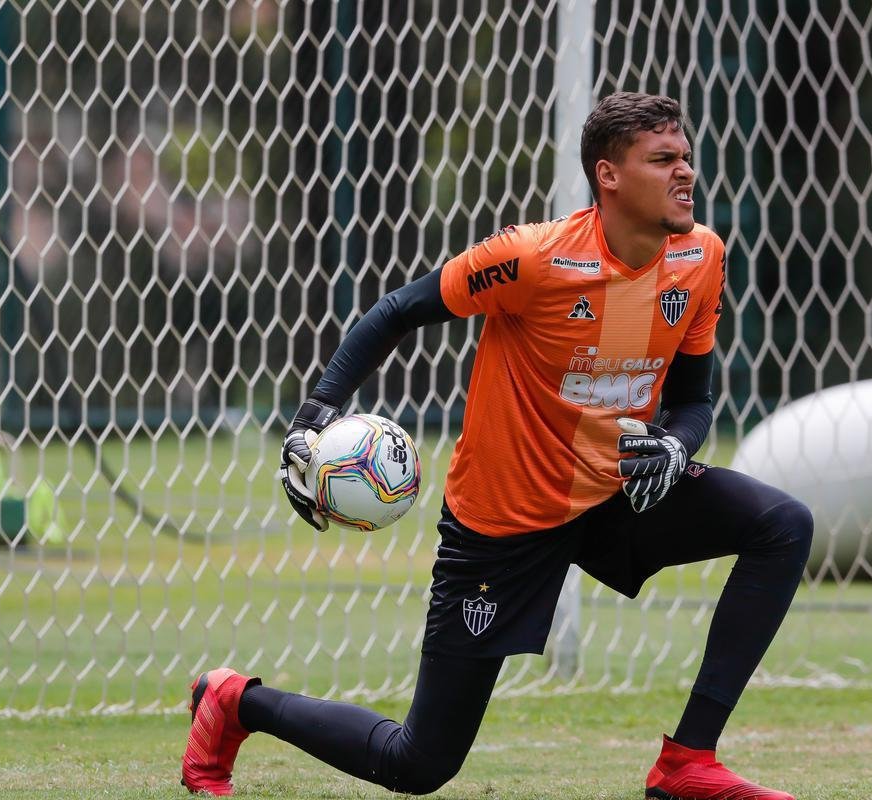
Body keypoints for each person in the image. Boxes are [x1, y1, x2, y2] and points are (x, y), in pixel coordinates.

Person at [181, 92, 812, 800]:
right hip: (504, 520)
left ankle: (688, 761)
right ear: (609, 176)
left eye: (686, 158)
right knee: (420, 765)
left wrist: (673, 445)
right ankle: (234, 701)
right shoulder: (531, 259)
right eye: (662, 160)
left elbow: (692, 401)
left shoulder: (701, 257)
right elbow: (397, 311)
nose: (685, 173)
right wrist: (315, 414)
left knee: (782, 524)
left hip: (612, 495)